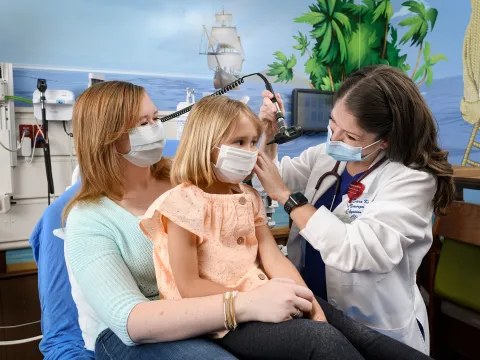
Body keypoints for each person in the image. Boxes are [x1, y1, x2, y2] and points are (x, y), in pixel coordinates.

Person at [140, 95, 435, 360]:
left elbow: (274, 255)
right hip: (219, 311)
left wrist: (307, 302)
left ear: (382, 141)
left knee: (358, 334)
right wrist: (257, 299)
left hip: (288, 296)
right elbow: (188, 286)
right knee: (323, 339)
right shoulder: (182, 204)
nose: (251, 152)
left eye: (253, 142)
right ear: (206, 144)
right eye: (239, 143)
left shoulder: (246, 198)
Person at [63, 81, 317, 359]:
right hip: (138, 331)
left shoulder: (186, 178)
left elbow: (235, 192)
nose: (155, 129)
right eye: (142, 123)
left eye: (156, 118)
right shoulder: (88, 220)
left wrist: (263, 136)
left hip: (217, 304)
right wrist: (245, 304)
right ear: (106, 136)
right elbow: (129, 320)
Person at [254, 64, 455, 355]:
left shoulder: (411, 180)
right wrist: (268, 137)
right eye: (332, 123)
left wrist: (287, 197)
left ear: (385, 140)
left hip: (373, 326)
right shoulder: (325, 157)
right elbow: (269, 180)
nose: (334, 139)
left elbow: (356, 249)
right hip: (315, 313)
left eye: (350, 137)